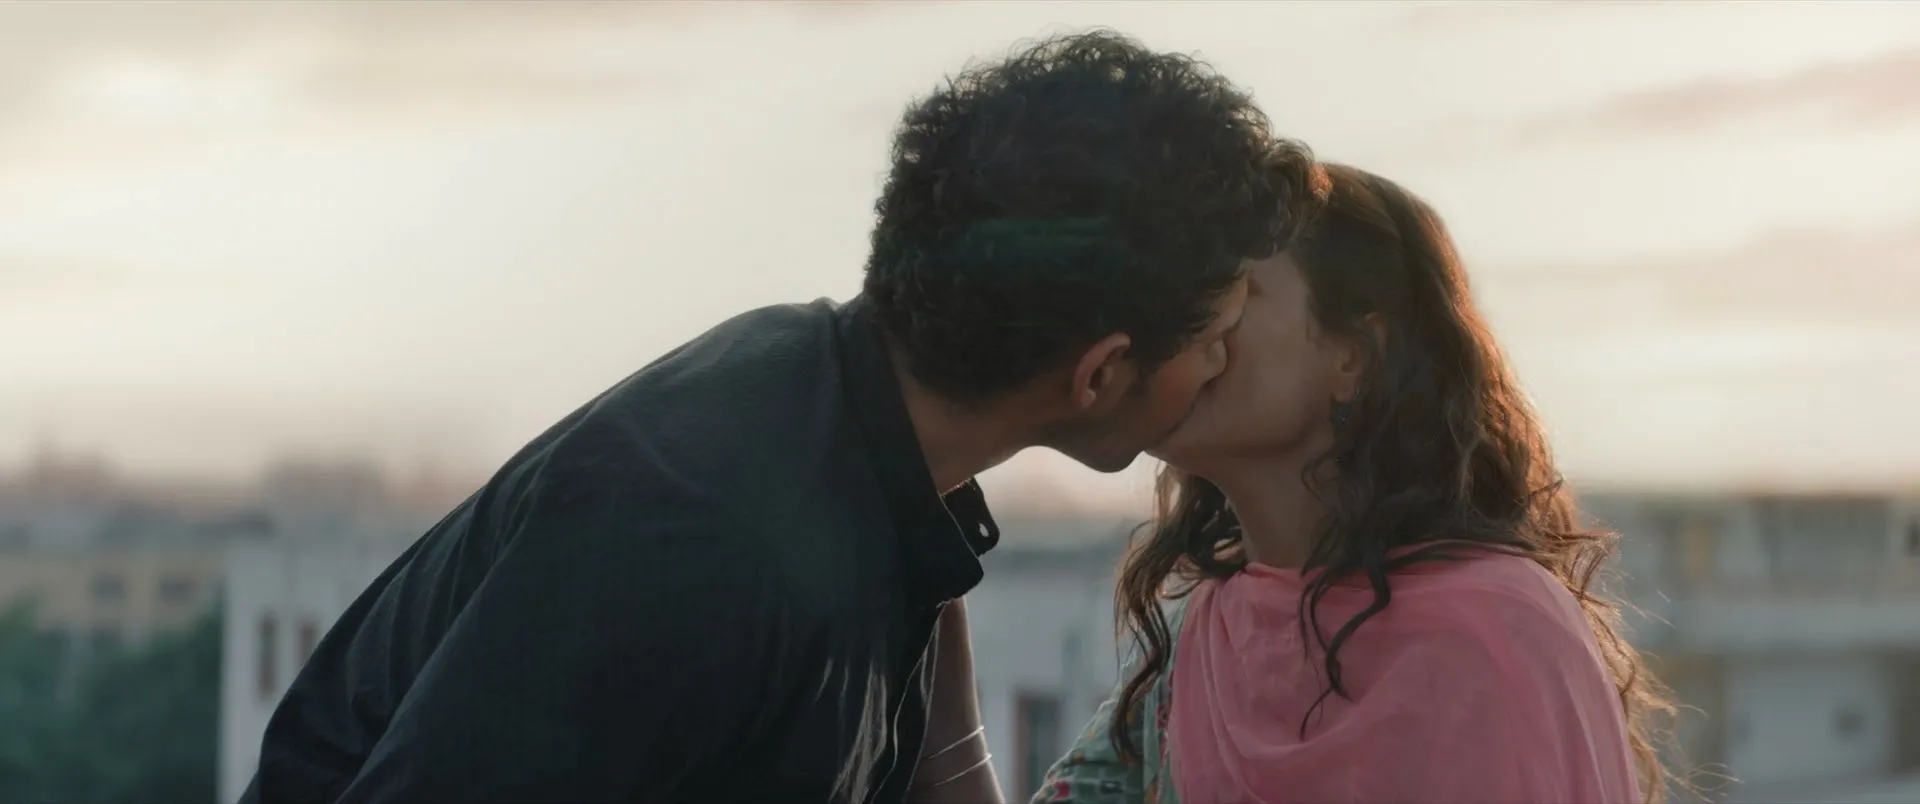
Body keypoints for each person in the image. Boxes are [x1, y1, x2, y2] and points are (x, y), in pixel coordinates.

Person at [239, 30, 1318, 804]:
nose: (1224, 363)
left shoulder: (854, 433)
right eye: (1216, 332)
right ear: (1101, 372)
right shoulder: (703, 537)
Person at [1034, 164, 1682, 804]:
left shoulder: (1495, 631)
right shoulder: (1198, 636)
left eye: (1231, 296)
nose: (1184, 331)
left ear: (1355, 356)